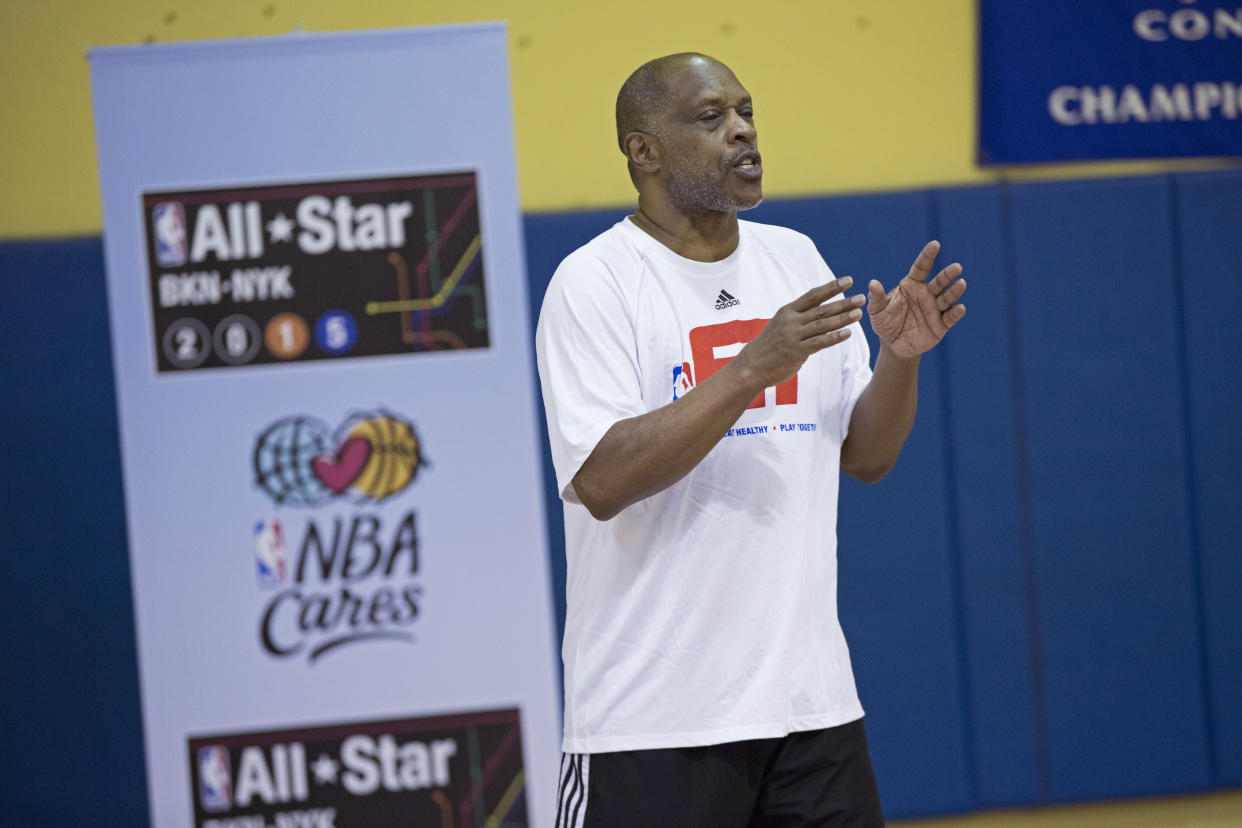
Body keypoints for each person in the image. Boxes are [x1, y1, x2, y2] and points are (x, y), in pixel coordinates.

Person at [535, 52, 966, 827]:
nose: (741, 131)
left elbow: (865, 457)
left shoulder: (793, 259)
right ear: (644, 151)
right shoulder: (593, 282)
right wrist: (747, 372)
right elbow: (600, 481)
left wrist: (900, 359)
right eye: (711, 117)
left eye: (747, 113)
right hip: (651, 722)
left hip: (812, 711)